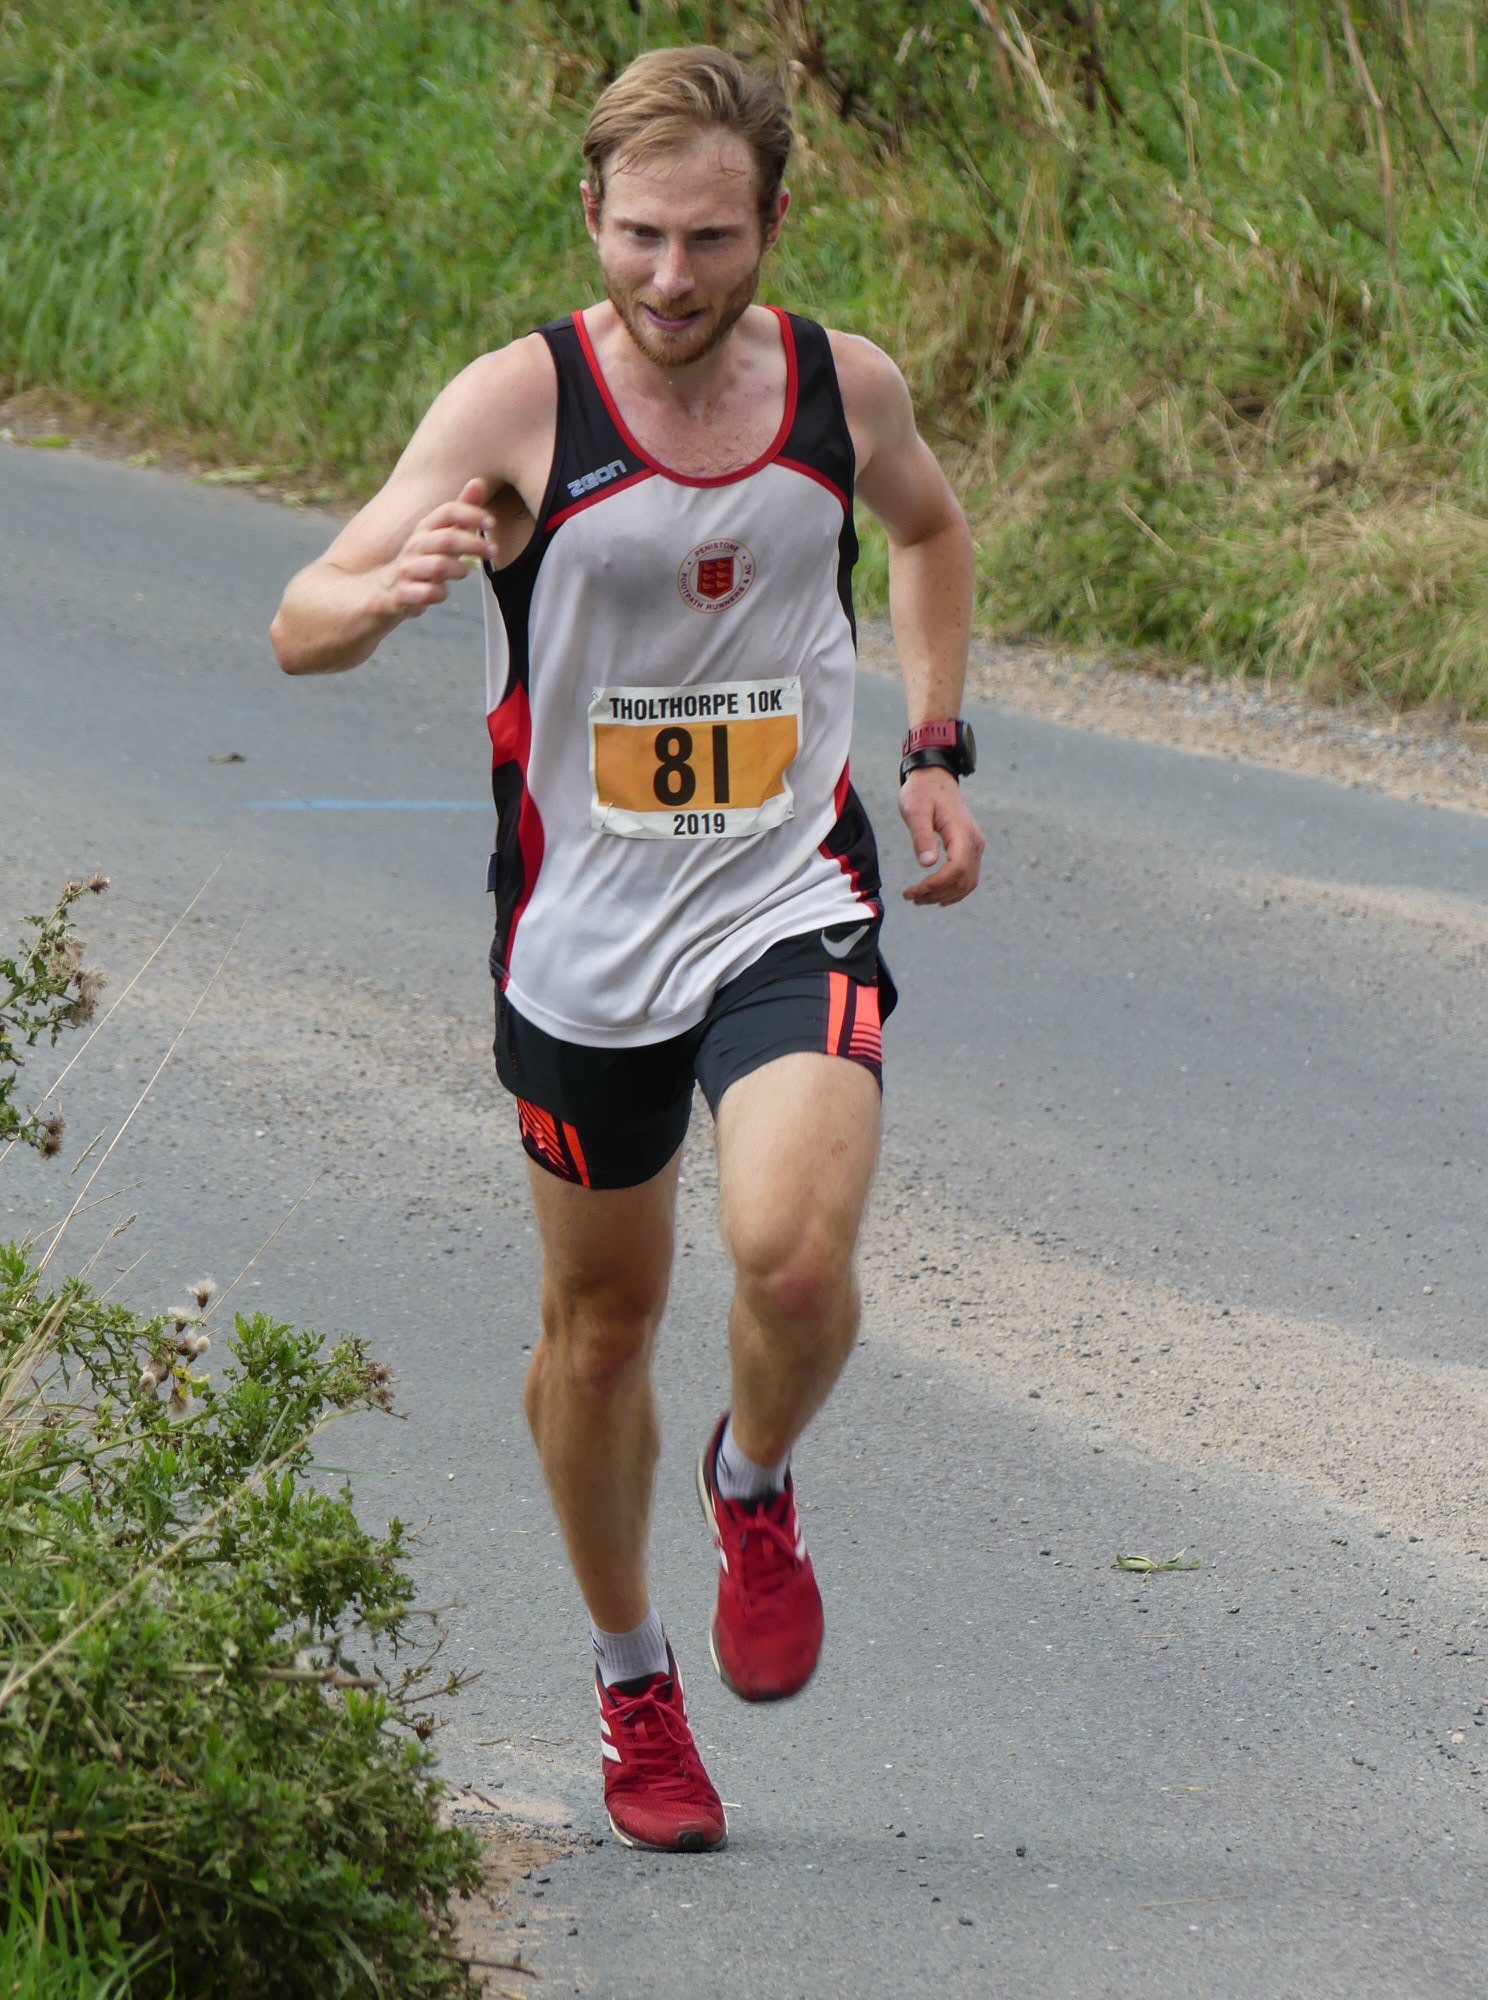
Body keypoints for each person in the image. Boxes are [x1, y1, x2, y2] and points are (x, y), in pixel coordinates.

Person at [271, 44, 984, 1854]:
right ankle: (633, 1680)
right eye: (642, 235)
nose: (674, 279)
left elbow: (927, 530)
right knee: (603, 1334)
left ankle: (755, 1480)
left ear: (773, 224)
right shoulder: (517, 403)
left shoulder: (839, 387)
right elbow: (300, 621)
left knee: (794, 1264)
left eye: (714, 240)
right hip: (583, 942)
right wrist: (386, 590)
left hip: (784, 892)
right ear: (589, 211)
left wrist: (931, 745)